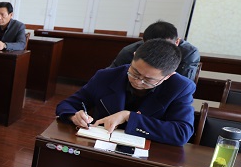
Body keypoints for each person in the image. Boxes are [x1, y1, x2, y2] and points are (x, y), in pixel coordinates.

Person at [56, 39, 195, 146]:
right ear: (133, 57)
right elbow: (67, 105)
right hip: (100, 146)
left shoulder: (180, 87)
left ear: (168, 76)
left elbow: (181, 133)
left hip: (148, 155)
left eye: (148, 80)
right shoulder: (106, 76)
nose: (138, 81)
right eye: (135, 72)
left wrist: (129, 117)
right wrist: (73, 116)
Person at [109, 20, 201, 81]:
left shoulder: (189, 53)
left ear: (177, 42)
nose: (157, 51)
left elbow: (184, 84)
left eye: (164, 47)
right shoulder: (129, 51)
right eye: (151, 46)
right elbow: (111, 75)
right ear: (144, 42)